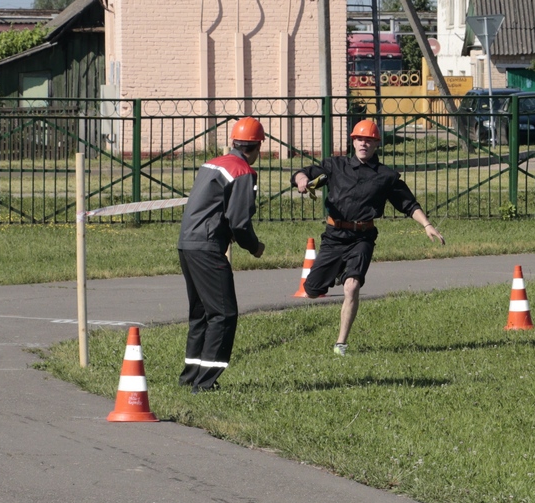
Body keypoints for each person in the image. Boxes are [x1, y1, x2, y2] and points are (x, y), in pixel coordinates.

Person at [291, 119, 445, 355]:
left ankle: (341, 344)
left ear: (376, 144)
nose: (364, 143)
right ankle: (338, 271)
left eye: (369, 140)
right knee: (312, 289)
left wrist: (427, 225)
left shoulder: (386, 176)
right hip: (334, 236)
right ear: (353, 141)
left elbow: (408, 203)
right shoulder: (335, 165)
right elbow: (303, 173)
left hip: (362, 238)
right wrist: (302, 180)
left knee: (352, 287)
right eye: (360, 139)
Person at [177, 116, 266, 393]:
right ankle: (205, 383)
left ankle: (191, 375)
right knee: (224, 314)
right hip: (208, 247)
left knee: (201, 312)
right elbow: (239, 222)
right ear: (257, 147)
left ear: (234, 141)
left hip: (187, 243)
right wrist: (254, 246)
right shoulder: (242, 171)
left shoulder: (212, 163)